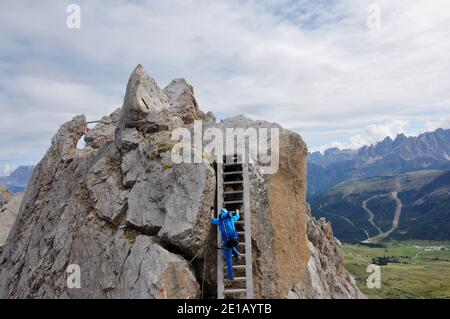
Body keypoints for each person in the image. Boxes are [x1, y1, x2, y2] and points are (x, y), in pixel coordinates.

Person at [210, 208, 241, 280]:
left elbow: (212, 220)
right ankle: (238, 255)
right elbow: (238, 216)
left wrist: (212, 211)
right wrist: (237, 210)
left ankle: (230, 276)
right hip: (236, 240)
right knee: (230, 245)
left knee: (229, 259)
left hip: (227, 243)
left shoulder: (220, 221)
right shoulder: (231, 219)